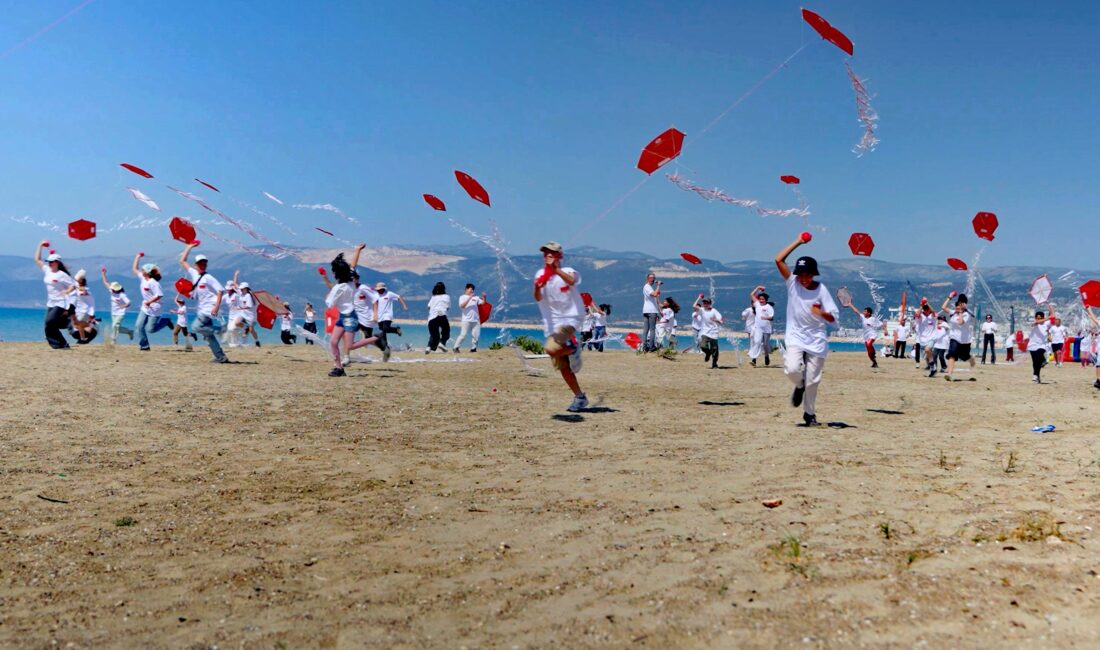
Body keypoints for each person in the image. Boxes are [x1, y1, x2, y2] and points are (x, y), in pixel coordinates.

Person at [775, 236, 838, 427]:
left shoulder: (821, 290)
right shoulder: (792, 283)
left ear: (813, 274)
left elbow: (833, 318)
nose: (804, 279)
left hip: (816, 339)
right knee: (792, 369)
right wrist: (798, 241)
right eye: (801, 274)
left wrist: (821, 313)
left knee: (813, 380)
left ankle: (809, 414)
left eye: (807, 275)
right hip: (795, 335)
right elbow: (778, 259)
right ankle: (799, 384)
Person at [533, 241, 587, 412]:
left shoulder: (569, 271)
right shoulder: (540, 274)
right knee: (562, 366)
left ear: (558, 255)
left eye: (551, 252)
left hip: (571, 318)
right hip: (553, 323)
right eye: (546, 252)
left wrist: (555, 269)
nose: (547, 254)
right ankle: (580, 397)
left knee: (551, 349)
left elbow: (572, 281)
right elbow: (538, 298)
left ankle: (574, 348)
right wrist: (537, 286)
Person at [322, 245, 382, 376]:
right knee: (333, 342)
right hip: (343, 317)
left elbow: (330, 304)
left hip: (350, 318)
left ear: (337, 273)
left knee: (349, 346)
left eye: (333, 270)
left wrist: (328, 295)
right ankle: (339, 368)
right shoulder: (351, 281)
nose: (332, 272)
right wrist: (357, 251)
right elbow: (353, 266)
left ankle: (375, 339)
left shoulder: (339, 288)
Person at [179, 243, 229, 363]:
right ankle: (221, 357)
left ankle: (222, 330)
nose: (203, 265)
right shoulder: (194, 273)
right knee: (208, 336)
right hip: (202, 310)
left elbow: (220, 290)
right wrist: (189, 246)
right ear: (195, 265)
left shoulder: (208, 277)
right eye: (200, 263)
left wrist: (216, 307)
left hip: (209, 310)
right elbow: (182, 261)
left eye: (204, 263)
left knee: (195, 327)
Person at [33, 242, 76, 349]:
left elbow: (73, 285)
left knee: (49, 321)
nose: (49, 263)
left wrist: (67, 291)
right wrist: (40, 246)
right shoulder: (47, 270)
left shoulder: (62, 275)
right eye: (48, 262)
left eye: (52, 262)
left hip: (61, 303)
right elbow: (37, 260)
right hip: (51, 303)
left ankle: (68, 323)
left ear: (57, 262)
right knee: (48, 325)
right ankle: (61, 344)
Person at [132, 253, 166, 351]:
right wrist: (137, 257)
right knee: (139, 326)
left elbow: (159, 295)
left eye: (143, 270)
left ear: (147, 272)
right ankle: (145, 345)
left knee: (150, 329)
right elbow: (134, 269)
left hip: (155, 308)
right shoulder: (143, 278)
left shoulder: (154, 283)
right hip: (145, 308)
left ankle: (166, 321)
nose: (141, 271)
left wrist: (149, 302)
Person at [940, 293, 974, 381]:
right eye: (957, 305)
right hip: (954, 338)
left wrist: (961, 312)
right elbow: (943, 307)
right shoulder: (953, 313)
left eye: (960, 305)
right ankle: (949, 374)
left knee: (964, 357)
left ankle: (971, 359)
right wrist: (949, 297)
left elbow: (960, 323)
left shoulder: (967, 314)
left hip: (965, 340)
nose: (958, 307)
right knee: (952, 354)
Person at [100, 267, 134, 346]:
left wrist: (123, 306)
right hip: (113, 313)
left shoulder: (122, 295)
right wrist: (103, 273)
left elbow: (129, 302)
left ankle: (113, 340)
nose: (112, 289)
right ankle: (129, 331)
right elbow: (105, 282)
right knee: (116, 327)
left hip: (120, 313)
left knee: (114, 325)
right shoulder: (111, 291)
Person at [846, 303, 885, 368]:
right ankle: (874, 362)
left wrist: (885, 330)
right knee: (869, 351)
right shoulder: (863, 317)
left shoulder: (873, 319)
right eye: (864, 311)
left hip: (873, 335)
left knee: (869, 345)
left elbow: (882, 324)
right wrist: (850, 305)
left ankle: (874, 353)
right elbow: (856, 311)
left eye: (865, 311)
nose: (863, 312)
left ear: (869, 313)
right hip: (866, 337)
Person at [374, 282, 407, 352]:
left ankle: (396, 330)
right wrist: (375, 315)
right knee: (382, 330)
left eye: (380, 289)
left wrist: (404, 305)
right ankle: (386, 346)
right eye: (377, 289)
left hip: (387, 315)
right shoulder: (376, 295)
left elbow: (399, 297)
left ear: (383, 289)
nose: (378, 290)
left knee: (385, 328)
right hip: (380, 316)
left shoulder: (389, 294)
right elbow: (375, 304)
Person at [453, 284, 484, 353]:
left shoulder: (476, 298)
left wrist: (484, 297)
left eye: (473, 289)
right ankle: (456, 347)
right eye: (471, 289)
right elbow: (462, 306)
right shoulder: (462, 297)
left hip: (476, 320)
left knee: (476, 335)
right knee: (463, 334)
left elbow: (483, 303)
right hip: (466, 320)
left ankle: (473, 348)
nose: (472, 290)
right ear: (466, 289)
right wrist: (469, 298)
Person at [1027, 307, 1054, 383]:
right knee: (1035, 362)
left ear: (1043, 317)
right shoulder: (1033, 323)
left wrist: (1050, 307)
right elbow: (1036, 322)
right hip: (1032, 345)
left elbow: (1053, 317)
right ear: (1035, 318)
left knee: (1038, 358)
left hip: (1042, 345)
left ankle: (1035, 375)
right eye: (1037, 318)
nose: (1039, 319)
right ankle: (1037, 376)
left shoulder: (1046, 324)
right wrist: (1048, 317)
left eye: (1041, 318)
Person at [694, 295, 723, 369]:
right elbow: (694, 306)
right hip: (705, 332)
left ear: (710, 303)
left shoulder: (714, 311)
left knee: (715, 349)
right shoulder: (702, 310)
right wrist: (699, 298)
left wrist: (716, 320)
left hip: (714, 332)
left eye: (706, 303)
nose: (705, 304)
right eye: (704, 303)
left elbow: (721, 321)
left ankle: (714, 363)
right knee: (703, 346)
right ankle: (708, 353)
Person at [748, 286, 774, 367]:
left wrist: (765, 317)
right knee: (757, 342)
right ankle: (754, 359)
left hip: (767, 328)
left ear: (766, 300)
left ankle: (766, 356)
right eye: (760, 299)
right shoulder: (757, 304)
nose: (761, 300)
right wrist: (758, 287)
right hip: (758, 328)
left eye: (763, 299)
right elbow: (751, 294)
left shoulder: (769, 307)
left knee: (765, 344)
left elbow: (771, 317)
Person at [70, 269, 96, 344]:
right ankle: (83, 338)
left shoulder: (85, 290)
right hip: (79, 311)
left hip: (84, 311)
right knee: (76, 325)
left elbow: (83, 291)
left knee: (77, 323)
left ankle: (91, 324)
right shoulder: (78, 288)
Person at [426, 282, 451, 353]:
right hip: (442, 316)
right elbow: (447, 308)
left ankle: (429, 347)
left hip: (431, 319)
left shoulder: (433, 297)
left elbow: (428, 307)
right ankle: (442, 343)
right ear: (444, 289)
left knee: (434, 336)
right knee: (446, 332)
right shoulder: (447, 296)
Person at [914, 300, 937, 371]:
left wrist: (928, 303)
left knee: (928, 350)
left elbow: (933, 311)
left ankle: (933, 365)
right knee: (927, 356)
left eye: (928, 310)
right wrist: (921, 306)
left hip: (932, 338)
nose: (927, 311)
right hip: (922, 340)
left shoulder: (932, 316)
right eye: (925, 310)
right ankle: (931, 366)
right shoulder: (921, 316)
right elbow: (917, 314)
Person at [641, 273, 661, 352]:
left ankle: (644, 347)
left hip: (646, 310)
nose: (653, 280)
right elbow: (655, 294)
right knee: (652, 329)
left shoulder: (647, 287)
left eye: (654, 278)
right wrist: (658, 285)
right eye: (651, 278)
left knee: (646, 329)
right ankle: (651, 347)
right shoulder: (647, 287)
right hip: (651, 310)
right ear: (647, 278)